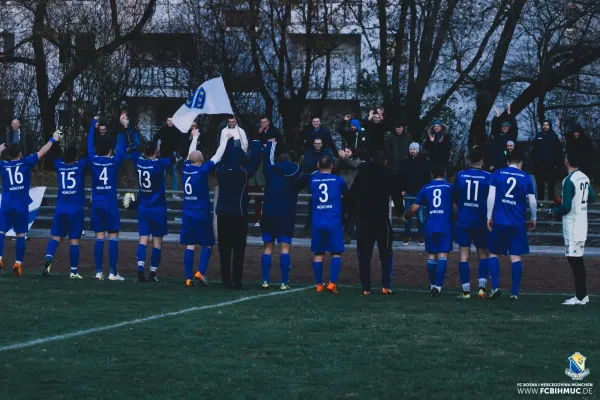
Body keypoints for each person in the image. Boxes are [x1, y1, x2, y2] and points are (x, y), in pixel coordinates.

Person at [0, 132, 60, 275]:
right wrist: (53, 138)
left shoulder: (4, 165)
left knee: (1, 232)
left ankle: (0, 258)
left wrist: (0, 149)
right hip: (21, 206)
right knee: (21, 235)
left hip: (7, 205)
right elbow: (43, 151)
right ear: (20, 153)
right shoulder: (26, 162)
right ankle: (18, 264)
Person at [347, 150, 403, 295]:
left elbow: (352, 194)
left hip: (364, 219)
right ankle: (386, 285)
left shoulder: (363, 174)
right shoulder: (389, 174)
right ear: (385, 161)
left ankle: (366, 287)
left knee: (364, 254)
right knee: (386, 253)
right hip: (382, 219)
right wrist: (400, 213)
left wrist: (353, 212)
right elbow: (397, 195)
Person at [180, 130, 230, 287]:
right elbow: (217, 156)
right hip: (200, 213)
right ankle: (200, 272)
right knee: (208, 243)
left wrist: (195, 137)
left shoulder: (185, 167)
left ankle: (188, 278)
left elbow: (190, 154)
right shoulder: (202, 170)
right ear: (201, 160)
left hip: (187, 213)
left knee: (190, 245)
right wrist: (225, 140)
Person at [486, 150, 537, 300]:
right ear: (520, 163)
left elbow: (491, 196)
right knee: (516, 257)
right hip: (517, 222)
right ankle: (514, 293)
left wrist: (489, 216)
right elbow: (532, 201)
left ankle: (495, 288)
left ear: (508, 161)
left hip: (500, 220)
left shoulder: (497, 173)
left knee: (493, 253)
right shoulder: (525, 177)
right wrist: (533, 218)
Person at [215, 140, 262, 289]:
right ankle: (237, 280)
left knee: (224, 250)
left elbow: (217, 158)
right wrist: (256, 144)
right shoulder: (242, 173)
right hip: (238, 214)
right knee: (238, 249)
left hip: (222, 214)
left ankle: (226, 280)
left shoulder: (220, 172)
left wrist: (226, 142)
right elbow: (255, 161)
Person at [549, 152, 595, 305]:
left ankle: (581, 296)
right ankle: (582, 295)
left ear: (567, 161)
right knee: (577, 260)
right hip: (582, 222)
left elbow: (566, 207)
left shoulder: (568, 180)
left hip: (572, 224)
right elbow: (592, 197)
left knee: (574, 261)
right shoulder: (584, 177)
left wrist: (553, 211)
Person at [404, 165, 454, 296]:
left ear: (432, 175)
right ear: (444, 174)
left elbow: (414, 208)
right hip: (445, 224)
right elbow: (455, 206)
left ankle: (432, 285)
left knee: (432, 255)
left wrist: (405, 216)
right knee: (443, 255)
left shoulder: (426, 187)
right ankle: (438, 286)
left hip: (431, 224)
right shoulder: (449, 187)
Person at [260, 140, 303, 290]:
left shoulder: (271, 172)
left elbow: (266, 160)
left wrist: (270, 146)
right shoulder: (294, 175)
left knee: (267, 247)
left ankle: (265, 280)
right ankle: (284, 282)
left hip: (269, 213)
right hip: (286, 214)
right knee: (285, 247)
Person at [89, 115, 127, 281]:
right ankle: (112, 272)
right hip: (110, 203)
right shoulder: (114, 162)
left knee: (99, 237)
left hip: (96, 203)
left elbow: (89, 143)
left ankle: (98, 272)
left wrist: (93, 125)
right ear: (110, 150)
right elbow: (122, 147)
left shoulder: (93, 159)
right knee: (113, 236)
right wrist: (124, 128)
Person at [41, 145, 87, 279]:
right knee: (74, 240)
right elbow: (89, 154)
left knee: (55, 237)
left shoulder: (59, 165)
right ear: (76, 157)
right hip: (75, 209)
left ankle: (48, 258)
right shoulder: (80, 165)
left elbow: (54, 156)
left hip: (60, 208)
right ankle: (73, 271)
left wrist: (56, 141)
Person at [132, 140, 173, 283]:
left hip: (143, 207)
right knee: (157, 242)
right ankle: (152, 272)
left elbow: (134, 151)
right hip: (158, 208)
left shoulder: (138, 162)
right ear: (156, 151)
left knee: (143, 239)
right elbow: (170, 158)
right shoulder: (159, 164)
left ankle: (140, 269)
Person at [305, 155, 348, 294]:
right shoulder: (338, 180)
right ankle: (332, 283)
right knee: (336, 253)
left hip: (317, 221)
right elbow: (347, 194)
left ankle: (319, 284)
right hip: (333, 221)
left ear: (318, 166)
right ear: (332, 166)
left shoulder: (313, 180)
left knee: (318, 253)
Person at [453, 150, 491, 299]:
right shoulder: (488, 176)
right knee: (483, 254)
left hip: (464, 219)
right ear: (482, 161)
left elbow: (454, 199)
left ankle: (466, 291)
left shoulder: (460, 175)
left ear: (468, 160)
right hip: (480, 219)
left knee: (463, 255)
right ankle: (482, 288)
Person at [399, 143, 430, 245]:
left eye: (414, 149)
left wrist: (424, 190)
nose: (412, 150)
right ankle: (407, 235)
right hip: (408, 192)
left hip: (419, 192)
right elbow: (400, 176)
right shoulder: (405, 162)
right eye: (411, 149)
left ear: (418, 150)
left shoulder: (424, 162)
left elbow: (427, 178)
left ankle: (422, 235)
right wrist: (402, 188)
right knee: (408, 214)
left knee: (420, 216)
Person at [531, 119, 563, 201]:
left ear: (550, 126)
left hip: (551, 167)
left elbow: (559, 152)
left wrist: (557, 165)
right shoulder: (538, 136)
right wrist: (534, 164)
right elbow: (534, 151)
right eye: (544, 125)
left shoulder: (554, 136)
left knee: (551, 188)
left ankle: (551, 207)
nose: (545, 126)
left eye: (547, 125)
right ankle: (540, 205)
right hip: (539, 167)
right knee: (540, 187)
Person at [154, 117, 182, 199]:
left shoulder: (177, 131)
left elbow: (180, 142)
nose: (170, 122)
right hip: (163, 155)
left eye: (172, 121)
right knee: (163, 175)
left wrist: (177, 151)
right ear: (166, 121)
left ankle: (175, 193)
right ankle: (163, 192)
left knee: (174, 174)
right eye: (169, 120)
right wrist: (157, 146)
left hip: (172, 155)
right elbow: (155, 138)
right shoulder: (162, 130)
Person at [488, 105, 518, 172]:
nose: (505, 128)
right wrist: (496, 116)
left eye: (506, 126)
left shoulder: (511, 136)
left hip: (508, 163)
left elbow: (515, 127)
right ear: (501, 128)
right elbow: (493, 127)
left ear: (508, 128)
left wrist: (510, 114)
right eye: (503, 126)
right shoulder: (497, 136)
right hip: (497, 163)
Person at [116, 112, 141, 191]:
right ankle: (119, 193)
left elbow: (136, 144)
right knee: (117, 176)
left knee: (130, 176)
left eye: (125, 118)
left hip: (128, 157)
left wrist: (130, 148)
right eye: (121, 118)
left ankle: (133, 193)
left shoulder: (132, 132)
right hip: (118, 157)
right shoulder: (118, 132)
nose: (123, 120)